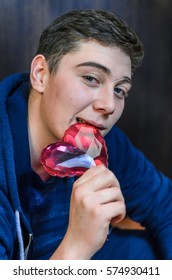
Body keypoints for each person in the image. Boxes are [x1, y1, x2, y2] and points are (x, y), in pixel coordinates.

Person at [0, 9, 172, 260]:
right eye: (91, 78)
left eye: (120, 90)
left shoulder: (101, 142)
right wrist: (77, 246)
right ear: (41, 75)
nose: (109, 105)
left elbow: (165, 207)